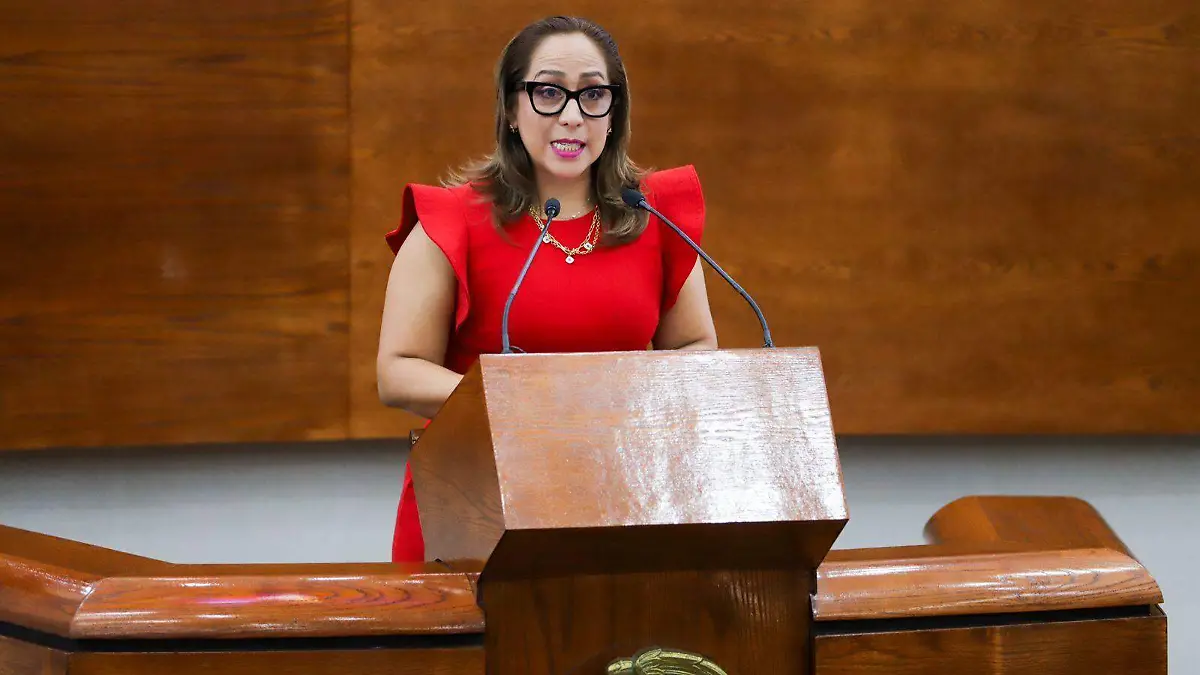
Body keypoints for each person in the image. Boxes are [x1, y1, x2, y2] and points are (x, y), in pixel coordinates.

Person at [376, 15, 718, 563]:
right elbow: (398, 372)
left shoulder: (653, 217)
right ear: (511, 110)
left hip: (619, 496)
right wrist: (533, 407)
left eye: (593, 95)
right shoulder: (452, 220)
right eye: (549, 92)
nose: (572, 115)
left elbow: (695, 349)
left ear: (614, 113)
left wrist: (627, 406)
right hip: (474, 506)